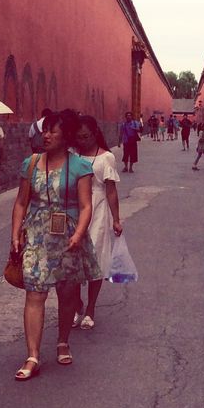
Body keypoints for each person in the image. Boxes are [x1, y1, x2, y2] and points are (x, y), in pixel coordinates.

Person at [10, 108, 101, 377]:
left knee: (67, 292)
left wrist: (78, 234)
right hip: (37, 235)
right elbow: (20, 202)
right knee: (35, 293)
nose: (45, 135)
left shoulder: (80, 166)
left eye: (52, 130)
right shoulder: (31, 163)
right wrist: (15, 234)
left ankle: (62, 341)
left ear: (66, 136)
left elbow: (86, 206)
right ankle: (33, 356)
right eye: (44, 130)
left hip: (68, 236)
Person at [72, 115, 123, 329]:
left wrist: (116, 220)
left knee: (95, 259)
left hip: (99, 210)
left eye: (86, 136)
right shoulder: (72, 155)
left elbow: (111, 191)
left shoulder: (106, 158)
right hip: (75, 209)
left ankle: (91, 307)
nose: (82, 140)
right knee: (72, 260)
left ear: (95, 133)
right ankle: (76, 305)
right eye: (78, 137)